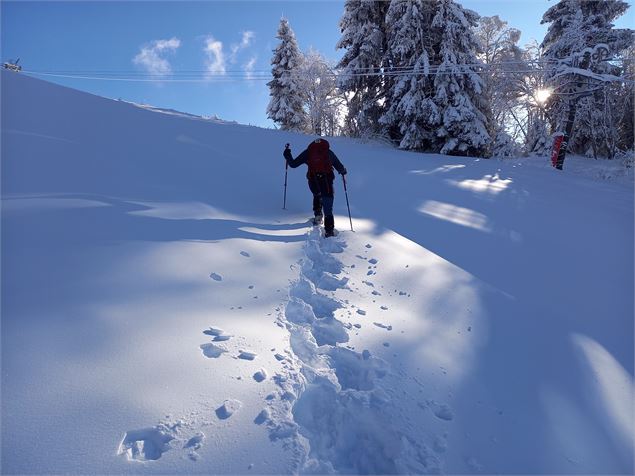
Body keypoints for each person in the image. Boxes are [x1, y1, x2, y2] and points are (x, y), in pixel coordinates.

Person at [284, 138, 347, 237]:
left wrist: (287, 155)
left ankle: (318, 216)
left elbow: (293, 164)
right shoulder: (328, 152)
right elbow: (339, 166)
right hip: (327, 182)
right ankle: (329, 231)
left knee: (317, 195)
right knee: (328, 205)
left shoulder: (308, 152)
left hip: (313, 180)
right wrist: (343, 171)